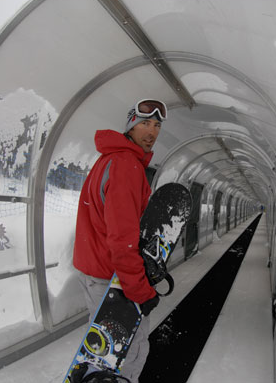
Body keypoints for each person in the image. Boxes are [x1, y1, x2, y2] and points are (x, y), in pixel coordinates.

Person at [73, 99, 168, 382]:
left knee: (102, 351)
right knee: (129, 352)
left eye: (157, 125)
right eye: (144, 123)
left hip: (94, 270)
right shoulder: (127, 165)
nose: (151, 131)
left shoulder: (109, 158)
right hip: (110, 278)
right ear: (130, 125)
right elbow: (122, 239)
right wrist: (141, 291)